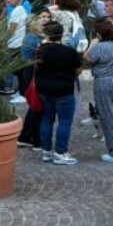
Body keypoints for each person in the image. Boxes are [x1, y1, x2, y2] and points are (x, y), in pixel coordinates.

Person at [83, 19, 113, 163]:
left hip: (105, 84)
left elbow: (87, 59)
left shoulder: (100, 47)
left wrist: (91, 45)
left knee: (110, 117)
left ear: (99, 33)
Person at [36, 20, 82, 165]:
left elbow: (36, 67)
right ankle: (60, 152)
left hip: (44, 89)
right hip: (64, 89)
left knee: (46, 119)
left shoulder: (40, 50)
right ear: (61, 35)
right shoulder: (69, 52)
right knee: (64, 122)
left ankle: (46, 151)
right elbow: (78, 70)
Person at [17, 10, 49, 148]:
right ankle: (32, 137)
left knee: (35, 107)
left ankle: (28, 136)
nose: (44, 28)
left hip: (31, 73)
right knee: (36, 106)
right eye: (42, 26)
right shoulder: (32, 39)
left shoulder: (32, 38)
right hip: (31, 74)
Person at [3, 0, 29, 95]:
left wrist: (3, 40)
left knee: (16, 70)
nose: (7, 0)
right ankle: (20, 91)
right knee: (18, 71)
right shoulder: (18, 10)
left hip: (15, 44)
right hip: (16, 43)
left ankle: (20, 92)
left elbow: (12, 28)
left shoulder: (17, 10)